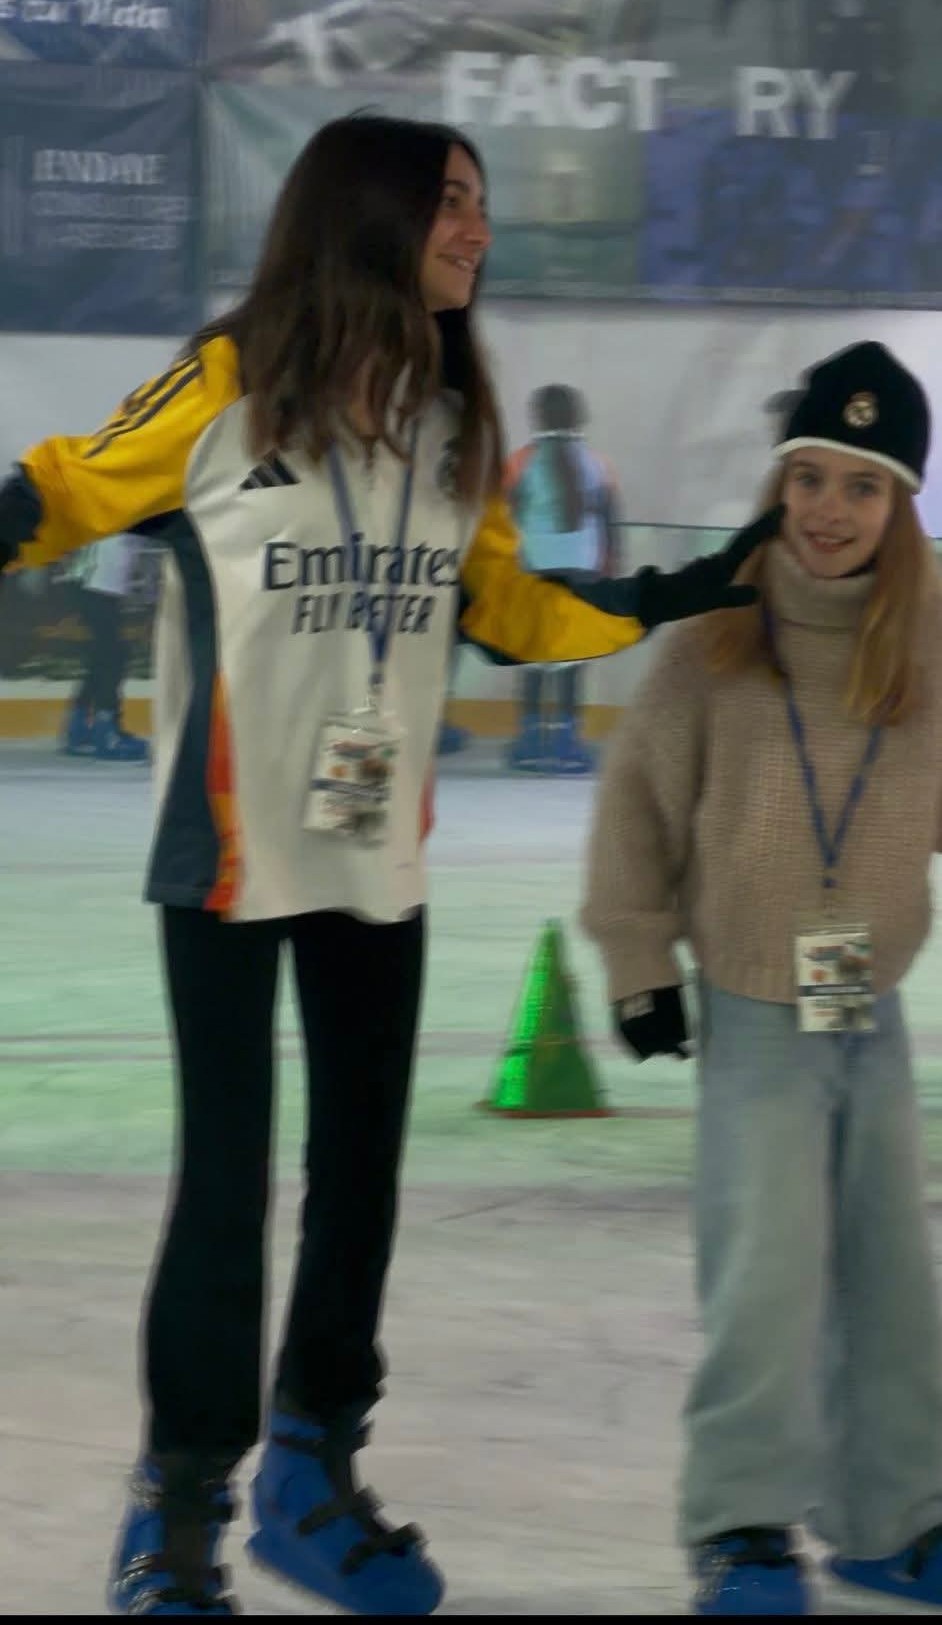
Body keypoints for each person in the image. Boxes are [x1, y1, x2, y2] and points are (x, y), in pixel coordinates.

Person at [0, 113, 777, 1619]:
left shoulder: (445, 418)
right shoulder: (227, 384)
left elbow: (511, 611)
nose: (478, 231)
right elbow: (66, 490)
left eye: (479, 205)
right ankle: (177, 1511)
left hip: (376, 857)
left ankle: (313, 1469)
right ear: (369, 211)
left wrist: (687, 584)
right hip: (230, 854)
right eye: (452, 202)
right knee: (226, 1185)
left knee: (361, 1176)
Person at [582, 341, 942, 1616]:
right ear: (780, 482)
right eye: (811, 478)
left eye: (863, 485)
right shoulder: (718, 631)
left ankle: (892, 1517)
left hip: (870, 1000)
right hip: (753, 1005)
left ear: (901, 504)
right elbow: (638, 802)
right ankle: (738, 1521)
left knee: (894, 1274)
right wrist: (638, 957)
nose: (830, 510)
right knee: (767, 1278)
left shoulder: (928, 640)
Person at [503, 383, 622, 774]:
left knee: (532, 657)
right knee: (573, 659)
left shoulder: (519, 463)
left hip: (531, 568)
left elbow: (504, 520)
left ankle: (529, 738)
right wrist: (610, 569)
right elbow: (610, 522)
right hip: (584, 567)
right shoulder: (597, 464)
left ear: (537, 418)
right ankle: (567, 740)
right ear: (578, 418)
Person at [60, 533, 150, 762]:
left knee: (104, 656)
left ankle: (81, 729)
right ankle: (105, 732)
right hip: (98, 582)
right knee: (112, 657)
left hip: (95, 580)